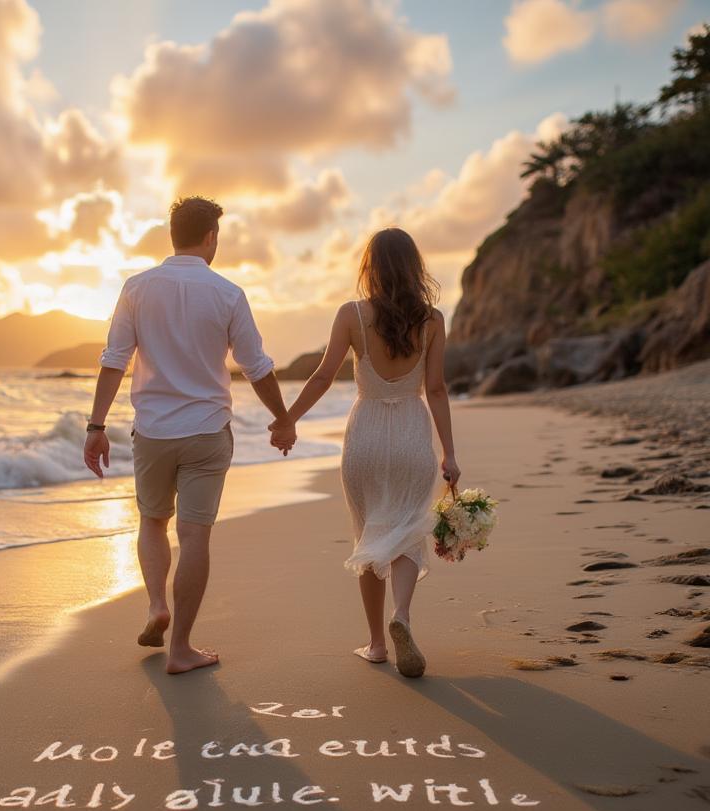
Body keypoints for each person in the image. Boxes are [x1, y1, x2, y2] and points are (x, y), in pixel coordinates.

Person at [84, 196, 295, 675]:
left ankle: (157, 603)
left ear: (172, 235)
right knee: (194, 535)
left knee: (152, 521)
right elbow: (255, 366)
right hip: (206, 431)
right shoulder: (227, 293)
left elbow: (114, 359)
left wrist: (96, 426)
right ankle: (180, 648)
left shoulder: (137, 288)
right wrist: (282, 418)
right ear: (211, 237)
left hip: (153, 430)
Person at [271, 226, 459, 678]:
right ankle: (403, 616)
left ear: (370, 267)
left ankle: (376, 643)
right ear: (415, 267)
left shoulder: (352, 314)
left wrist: (287, 419)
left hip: (366, 435)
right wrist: (448, 453)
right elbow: (435, 388)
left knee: (369, 535)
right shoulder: (432, 320)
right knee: (408, 531)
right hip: (413, 432)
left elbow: (321, 377)